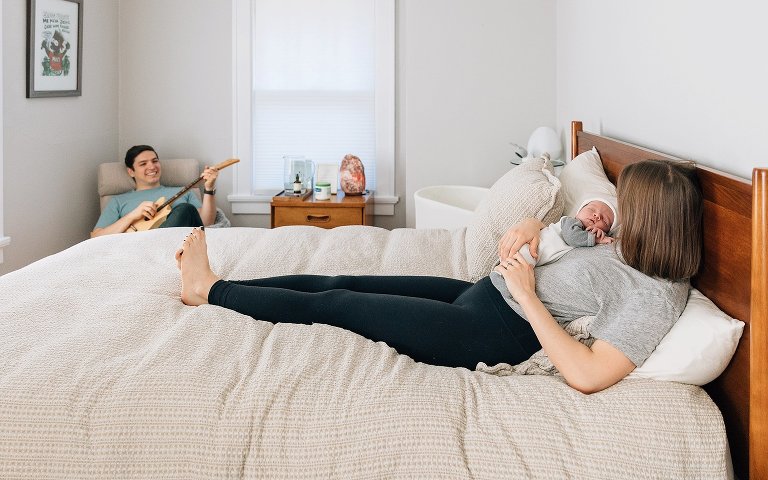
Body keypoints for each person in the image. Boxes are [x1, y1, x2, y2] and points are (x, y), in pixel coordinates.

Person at [175, 160, 702, 394]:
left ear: (656, 221)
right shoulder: (627, 243)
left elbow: (588, 375)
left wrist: (527, 294)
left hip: (497, 332)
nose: (617, 212)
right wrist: (535, 222)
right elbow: (582, 216)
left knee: (335, 304)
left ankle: (208, 291)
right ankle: (217, 282)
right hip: (483, 295)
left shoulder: (656, 293)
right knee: (337, 278)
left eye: (627, 206)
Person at [91, 145, 219, 237]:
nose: (152, 166)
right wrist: (133, 215)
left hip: (180, 245)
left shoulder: (185, 191)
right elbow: (96, 237)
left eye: (155, 161)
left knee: (186, 209)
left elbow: (206, 223)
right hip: (138, 246)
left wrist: (209, 188)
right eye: (143, 164)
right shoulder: (118, 201)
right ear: (131, 171)